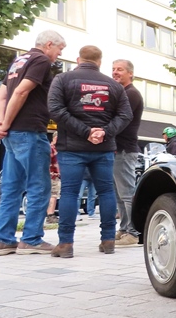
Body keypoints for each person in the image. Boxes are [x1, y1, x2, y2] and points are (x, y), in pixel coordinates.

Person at [48, 46, 133, 258]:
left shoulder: (62, 79)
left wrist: (85, 132)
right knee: (106, 192)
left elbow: (55, 109)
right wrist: (104, 132)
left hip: (71, 148)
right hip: (103, 148)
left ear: (78, 60)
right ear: (100, 62)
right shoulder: (114, 85)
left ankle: (65, 243)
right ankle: (108, 240)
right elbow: (125, 115)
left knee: (69, 192)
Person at [0, 30, 66, 256]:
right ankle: (31, 239)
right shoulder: (41, 60)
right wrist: (5, 124)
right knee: (39, 187)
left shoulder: (18, 61)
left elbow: (2, 96)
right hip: (30, 131)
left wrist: (1, 124)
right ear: (49, 44)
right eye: (60, 49)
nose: (60, 54)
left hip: (12, 135)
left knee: (11, 187)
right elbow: (21, 92)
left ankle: (3, 240)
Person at [112, 59, 144, 246]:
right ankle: (124, 228)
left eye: (120, 69)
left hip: (124, 149)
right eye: (113, 69)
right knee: (119, 193)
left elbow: (120, 119)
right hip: (118, 149)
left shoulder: (131, 94)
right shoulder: (123, 92)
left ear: (130, 73)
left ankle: (133, 232)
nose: (115, 72)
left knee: (126, 193)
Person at [46, 132, 60, 226]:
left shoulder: (55, 148)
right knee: (53, 195)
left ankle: (50, 214)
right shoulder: (51, 148)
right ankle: (50, 215)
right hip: (52, 175)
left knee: (53, 195)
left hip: (55, 175)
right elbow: (46, 161)